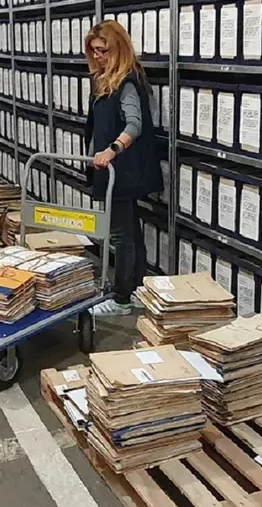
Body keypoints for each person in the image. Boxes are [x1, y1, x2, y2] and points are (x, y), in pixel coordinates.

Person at [83, 20, 164, 316]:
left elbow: (134, 125)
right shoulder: (104, 80)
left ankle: (121, 299)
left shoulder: (127, 82)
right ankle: (137, 289)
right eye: (94, 51)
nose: (98, 56)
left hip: (121, 170)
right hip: (111, 170)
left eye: (103, 50)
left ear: (118, 48)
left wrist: (112, 150)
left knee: (121, 235)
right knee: (130, 232)